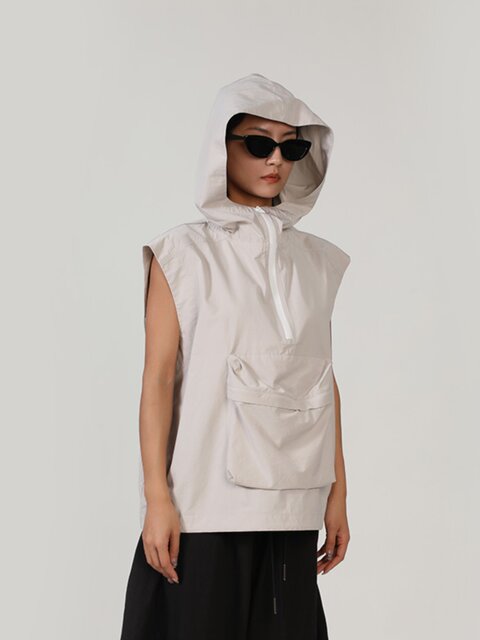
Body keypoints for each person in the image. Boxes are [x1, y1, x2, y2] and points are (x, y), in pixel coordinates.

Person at [119, 73, 351, 640]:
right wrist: (156, 497)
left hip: (295, 501)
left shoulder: (317, 263)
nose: (275, 160)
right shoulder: (182, 254)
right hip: (205, 503)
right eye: (258, 143)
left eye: (291, 147)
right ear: (220, 148)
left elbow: (323, 380)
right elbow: (158, 380)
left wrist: (338, 494)